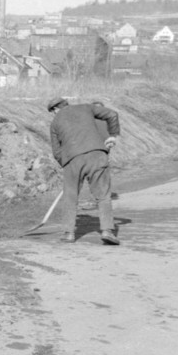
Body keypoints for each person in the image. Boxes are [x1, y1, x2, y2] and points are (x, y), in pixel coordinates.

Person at [47, 97, 120, 245]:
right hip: (97, 155)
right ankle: (107, 231)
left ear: (55, 109)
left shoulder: (54, 123)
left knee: (70, 197)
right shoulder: (86, 108)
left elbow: (56, 151)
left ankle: (68, 233)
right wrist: (112, 136)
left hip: (72, 160)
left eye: (52, 112)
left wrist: (67, 165)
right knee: (103, 196)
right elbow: (112, 114)